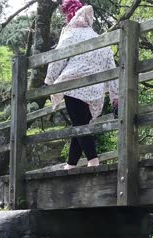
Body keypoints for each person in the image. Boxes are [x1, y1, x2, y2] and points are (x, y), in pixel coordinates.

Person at [44, 0, 118, 170]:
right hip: (95, 92)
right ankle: (71, 164)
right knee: (80, 124)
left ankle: (93, 161)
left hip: (74, 86)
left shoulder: (71, 35)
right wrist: (115, 98)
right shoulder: (98, 39)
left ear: (70, 16)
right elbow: (111, 69)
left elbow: (57, 59)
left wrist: (49, 82)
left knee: (80, 126)